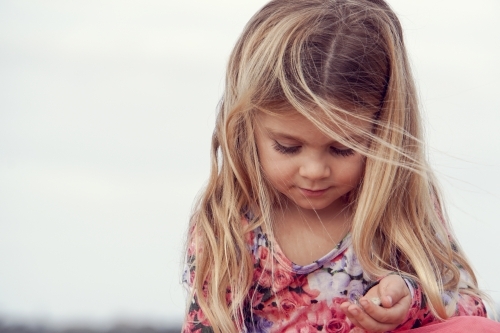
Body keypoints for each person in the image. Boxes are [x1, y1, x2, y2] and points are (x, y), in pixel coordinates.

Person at [181, 0, 498, 332]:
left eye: (343, 148)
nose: (315, 170)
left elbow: (472, 308)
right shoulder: (227, 219)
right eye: (288, 147)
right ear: (248, 129)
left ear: (382, 132)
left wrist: (410, 300)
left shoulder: (399, 203)